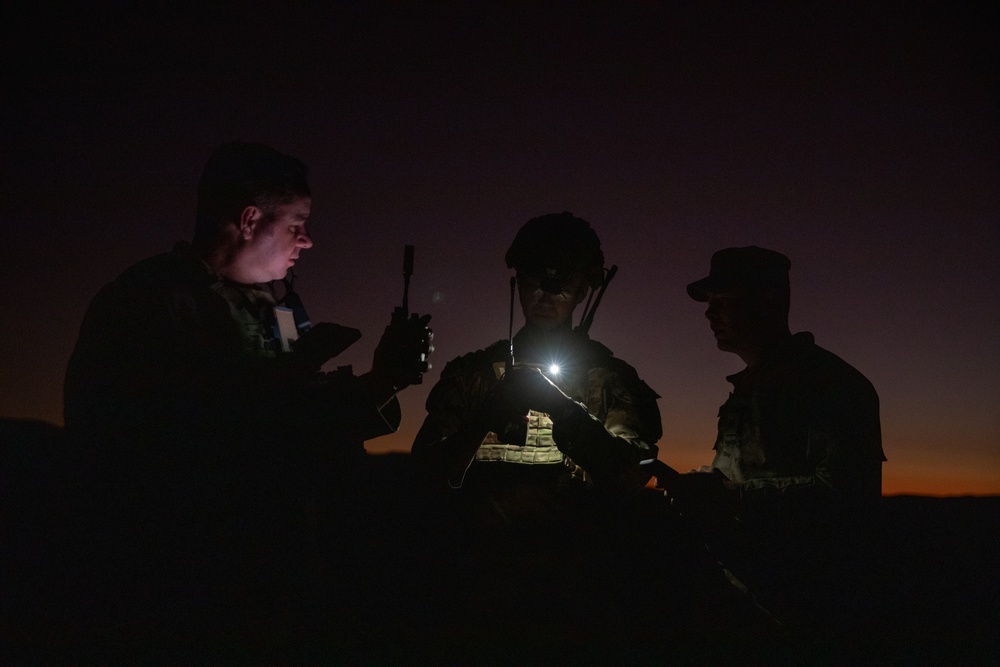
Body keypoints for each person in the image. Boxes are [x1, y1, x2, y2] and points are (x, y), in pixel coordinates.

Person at [58, 142, 433, 652]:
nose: (308, 240)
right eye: (297, 224)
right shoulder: (146, 303)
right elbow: (134, 450)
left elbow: (305, 424)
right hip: (181, 588)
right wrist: (280, 388)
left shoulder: (275, 308)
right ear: (251, 219)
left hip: (278, 577)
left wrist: (382, 380)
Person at [404, 213, 664, 653]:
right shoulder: (472, 376)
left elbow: (632, 478)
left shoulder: (613, 381)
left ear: (585, 289)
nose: (545, 293)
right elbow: (420, 482)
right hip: (476, 594)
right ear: (517, 282)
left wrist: (565, 413)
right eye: (535, 278)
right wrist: (485, 418)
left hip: (578, 600)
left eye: (561, 281)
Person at [663, 245, 886, 638]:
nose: (709, 313)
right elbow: (743, 473)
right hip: (744, 604)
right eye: (708, 302)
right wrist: (703, 486)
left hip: (809, 617)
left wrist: (728, 496)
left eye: (722, 300)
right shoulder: (748, 388)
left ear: (767, 300)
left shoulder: (832, 384)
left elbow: (848, 498)